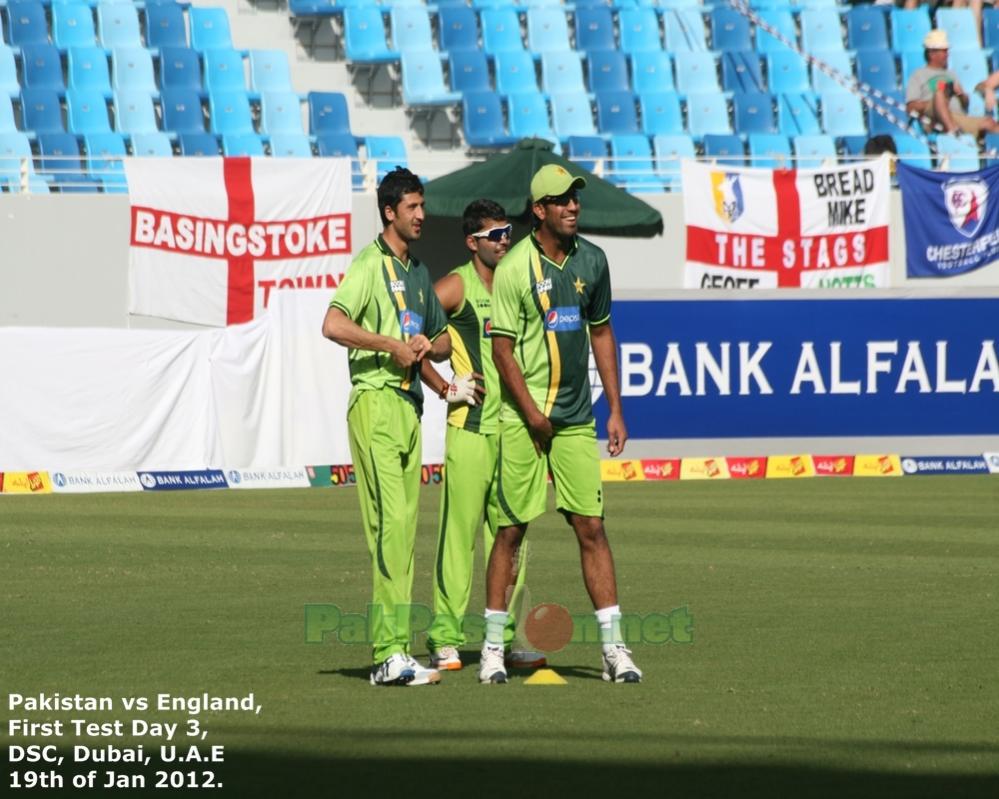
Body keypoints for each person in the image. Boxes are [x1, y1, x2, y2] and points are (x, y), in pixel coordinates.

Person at [478, 164, 642, 685]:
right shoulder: (514, 268)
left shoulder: (593, 260)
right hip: (523, 419)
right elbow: (501, 349)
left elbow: (602, 335)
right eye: (562, 200)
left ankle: (614, 651)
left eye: (576, 198)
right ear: (539, 210)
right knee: (510, 531)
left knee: (591, 528)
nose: (573, 206)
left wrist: (614, 408)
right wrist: (529, 413)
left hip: (574, 419)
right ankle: (492, 651)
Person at [322, 167, 451, 687]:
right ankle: (387, 653)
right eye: (413, 207)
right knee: (390, 532)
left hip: (410, 406)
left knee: (403, 534)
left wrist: (423, 346)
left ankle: (394, 651)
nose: (422, 215)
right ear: (389, 212)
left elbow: (440, 339)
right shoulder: (368, 264)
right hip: (375, 401)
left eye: (423, 205)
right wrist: (390, 345)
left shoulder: (418, 271)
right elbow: (333, 324)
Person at [419, 200, 546, 673]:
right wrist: (449, 384)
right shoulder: (456, 284)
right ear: (473, 242)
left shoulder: (518, 283)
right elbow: (415, 335)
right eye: (495, 235)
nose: (504, 240)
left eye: (507, 232)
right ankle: (445, 638)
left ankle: (505, 639)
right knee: (459, 536)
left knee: (512, 537)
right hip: (470, 429)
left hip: (513, 431)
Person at [905, 29, 999, 138]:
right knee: (940, 94)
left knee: (990, 122)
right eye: (943, 51)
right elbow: (910, 107)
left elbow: (965, 105)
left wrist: (960, 94)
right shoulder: (918, 75)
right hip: (934, 117)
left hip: (958, 116)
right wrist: (935, 103)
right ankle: (953, 134)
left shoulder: (951, 75)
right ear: (932, 54)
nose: (947, 55)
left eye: (946, 51)